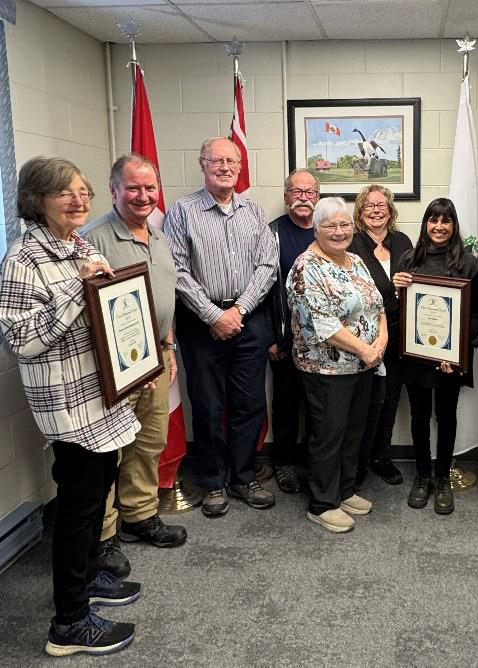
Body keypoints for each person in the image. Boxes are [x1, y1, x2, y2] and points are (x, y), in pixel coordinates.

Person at [0, 157, 142, 656]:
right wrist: (80, 293)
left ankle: (85, 582)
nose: (80, 201)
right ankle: (69, 624)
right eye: (67, 193)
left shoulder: (76, 244)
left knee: (99, 488)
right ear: (39, 200)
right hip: (67, 402)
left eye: (83, 192)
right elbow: (21, 339)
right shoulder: (23, 258)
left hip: (100, 392)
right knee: (79, 507)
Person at [81, 154, 187, 580]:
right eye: (133, 188)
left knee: (149, 442)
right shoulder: (94, 240)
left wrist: (168, 345)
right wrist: (122, 368)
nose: (143, 196)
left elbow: (165, 296)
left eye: (149, 188)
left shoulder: (157, 236)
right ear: (113, 191)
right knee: (112, 452)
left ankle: (140, 516)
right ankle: (104, 536)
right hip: (114, 368)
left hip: (156, 358)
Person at [164, 137, 278, 517]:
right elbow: (176, 270)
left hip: (249, 321)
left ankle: (244, 477)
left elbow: (267, 267)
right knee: (209, 407)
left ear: (241, 166)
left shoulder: (256, 213)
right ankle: (213, 481)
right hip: (201, 325)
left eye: (232, 160)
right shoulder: (183, 211)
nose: (225, 167)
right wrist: (214, 315)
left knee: (249, 404)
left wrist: (239, 310)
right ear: (202, 165)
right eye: (216, 161)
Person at [287, 197, 387, 533]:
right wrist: (366, 350)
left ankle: (345, 491)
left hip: (363, 366)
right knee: (328, 435)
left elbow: (377, 305)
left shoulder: (357, 261)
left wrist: (382, 341)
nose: (339, 231)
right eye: (330, 225)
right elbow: (322, 325)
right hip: (327, 370)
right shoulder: (306, 268)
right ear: (316, 229)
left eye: (344, 224)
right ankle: (323, 503)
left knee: (352, 432)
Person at [392, 198, 478, 515]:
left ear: (454, 225)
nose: (439, 227)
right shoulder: (408, 260)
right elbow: (398, 309)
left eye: (446, 221)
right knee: (418, 417)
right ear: (426, 224)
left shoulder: (469, 264)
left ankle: (443, 478)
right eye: (433, 220)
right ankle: (422, 476)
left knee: (445, 417)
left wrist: (458, 352)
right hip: (415, 355)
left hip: (449, 360)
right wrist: (396, 288)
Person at [348, 185, 412, 486]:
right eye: (368, 205)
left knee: (390, 398)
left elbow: (419, 282)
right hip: (361, 336)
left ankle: (381, 457)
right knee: (363, 400)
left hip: (399, 333)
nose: (375, 210)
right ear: (360, 212)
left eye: (381, 205)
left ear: (390, 209)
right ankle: (357, 460)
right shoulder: (350, 242)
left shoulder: (403, 241)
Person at [266, 170, 319, 493]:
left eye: (310, 192)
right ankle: (283, 463)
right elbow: (265, 289)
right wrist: (273, 336)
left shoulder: (329, 230)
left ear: (318, 197)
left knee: (318, 406)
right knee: (286, 403)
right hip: (285, 339)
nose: (303, 197)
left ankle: (315, 463)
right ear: (286, 196)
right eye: (296, 191)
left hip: (323, 342)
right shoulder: (273, 233)